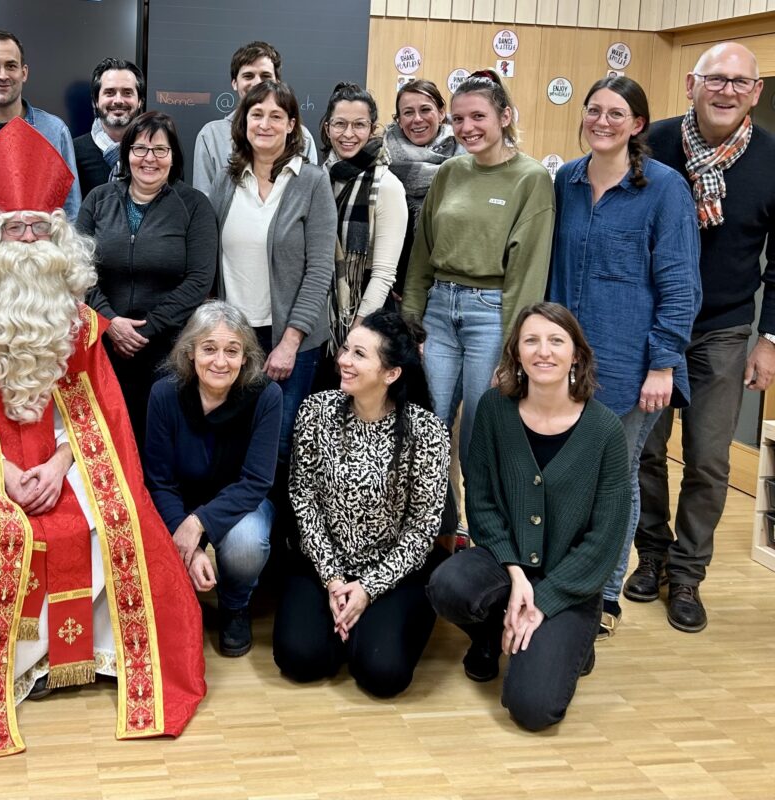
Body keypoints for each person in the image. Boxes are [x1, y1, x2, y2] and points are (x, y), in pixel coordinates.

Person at [0, 119, 205, 765]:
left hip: (65, 455)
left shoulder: (78, 320)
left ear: (58, 238)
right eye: (14, 228)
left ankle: (93, 654)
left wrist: (57, 466)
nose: (28, 240)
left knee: (118, 517)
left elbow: (100, 412)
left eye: (39, 228)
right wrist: (1, 475)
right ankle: (9, 664)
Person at [426, 303, 630, 732]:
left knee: (533, 709)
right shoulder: (494, 410)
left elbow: (605, 540)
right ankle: (491, 633)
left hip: (570, 584)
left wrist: (542, 602)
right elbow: (481, 503)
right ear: (516, 353)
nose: (543, 351)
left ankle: (566, 638)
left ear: (576, 355)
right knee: (448, 585)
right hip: (505, 566)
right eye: (531, 341)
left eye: (556, 341)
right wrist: (517, 577)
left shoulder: (606, 431)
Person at [548, 76, 701, 639]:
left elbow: (680, 284)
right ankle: (565, 583)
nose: (602, 122)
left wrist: (663, 363)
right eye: (595, 111)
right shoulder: (566, 179)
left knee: (616, 481)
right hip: (562, 363)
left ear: (637, 124)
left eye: (617, 113)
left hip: (632, 363)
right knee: (568, 477)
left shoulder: (665, 188)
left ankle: (605, 597)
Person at [631, 42, 775, 633]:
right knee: (643, 449)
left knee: (710, 461)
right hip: (650, 326)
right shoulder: (652, 144)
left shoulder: (771, 159)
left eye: (740, 82)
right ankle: (651, 556)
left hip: (724, 328)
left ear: (756, 93)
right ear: (692, 84)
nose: (727, 91)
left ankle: (688, 574)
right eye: (716, 78)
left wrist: (769, 339)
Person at [274, 310, 450, 697]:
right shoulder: (316, 411)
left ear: (391, 373)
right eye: (346, 349)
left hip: (393, 570)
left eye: (359, 354)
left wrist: (368, 588)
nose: (344, 361)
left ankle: (367, 625)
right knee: (299, 660)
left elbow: (422, 528)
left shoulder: (427, 431)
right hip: (323, 563)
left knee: (382, 675)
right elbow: (303, 499)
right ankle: (346, 624)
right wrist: (334, 579)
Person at [401, 70, 554, 468]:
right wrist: (411, 321)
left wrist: (514, 347)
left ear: (505, 116)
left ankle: (480, 508)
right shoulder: (450, 172)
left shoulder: (531, 178)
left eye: (478, 116)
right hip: (439, 310)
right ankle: (438, 509)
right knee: (426, 427)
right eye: (458, 119)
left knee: (479, 433)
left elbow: (527, 273)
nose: (467, 127)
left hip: (492, 314)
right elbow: (422, 253)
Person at [208, 79, 336, 462]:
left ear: (292, 124)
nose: (265, 124)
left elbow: (319, 270)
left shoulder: (312, 182)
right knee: (230, 441)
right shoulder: (227, 180)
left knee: (279, 447)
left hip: (289, 340)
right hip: (234, 337)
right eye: (257, 114)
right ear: (243, 121)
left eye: (276, 116)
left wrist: (289, 343)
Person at [144, 301, 281, 657]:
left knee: (246, 544)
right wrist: (188, 545)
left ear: (245, 357)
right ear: (190, 352)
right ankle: (183, 593)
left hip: (242, 503)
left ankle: (235, 604)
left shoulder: (266, 396)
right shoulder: (164, 393)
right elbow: (159, 481)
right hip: (179, 501)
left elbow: (256, 481)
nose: (220, 362)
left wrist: (198, 523)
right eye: (209, 349)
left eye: (232, 351)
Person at [77, 111, 217, 446]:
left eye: (160, 150)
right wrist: (110, 322)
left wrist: (145, 328)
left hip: (168, 351)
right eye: (140, 149)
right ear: (126, 154)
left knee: (158, 443)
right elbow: (77, 269)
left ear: (173, 156)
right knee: (106, 441)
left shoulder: (194, 205)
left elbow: (200, 280)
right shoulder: (98, 199)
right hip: (102, 346)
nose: (149, 158)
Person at [318, 82, 408, 359]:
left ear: (372, 129)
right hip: (321, 316)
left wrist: (353, 338)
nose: (348, 134)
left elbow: (383, 275)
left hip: (367, 319)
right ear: (327, 128)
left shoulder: (387, 185)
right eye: (340, 124)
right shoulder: (319, 178)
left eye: (359, 125)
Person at [0, 30, 80, 218]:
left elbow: (71, 210)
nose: (2, 75)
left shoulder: (54, 130)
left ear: (24, 73)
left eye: (11, 66)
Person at [192, 41, 317, 195]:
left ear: (277, 82)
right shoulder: (211, 136)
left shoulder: (302, 137)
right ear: (234, 83)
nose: (257, 83)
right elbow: (203, 200)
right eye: (248, 76)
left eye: (265, 76)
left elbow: (309, 195)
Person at [384, 79, 462, 309]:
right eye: (408, 112)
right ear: (399, 120)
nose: (417, 119)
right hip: (393, 293)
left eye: (425, 109)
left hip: (449, 293)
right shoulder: (381, 159)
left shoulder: (467, 160)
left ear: (441, 112)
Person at [72, 57, 144, 197]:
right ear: (95, 101)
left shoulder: (154, 154)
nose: (118, 100)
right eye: (109, 92)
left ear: (140, 101)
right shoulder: (73, 153)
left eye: (127, 93)